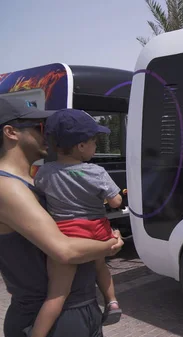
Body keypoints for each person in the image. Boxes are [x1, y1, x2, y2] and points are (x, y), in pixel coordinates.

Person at [0, 97, 124, 337]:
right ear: (11, 132)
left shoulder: (36, 180)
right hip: (50, 318)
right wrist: (109, 244)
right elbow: (65, 250)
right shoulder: (7, 188)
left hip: (78, 308)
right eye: (40, 127)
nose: (49, 135)